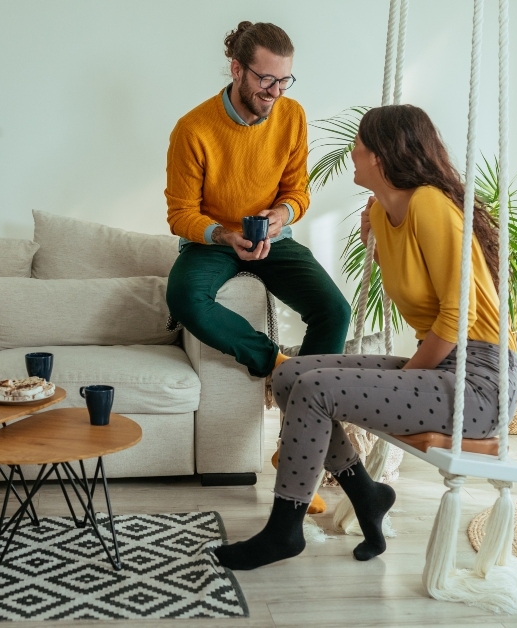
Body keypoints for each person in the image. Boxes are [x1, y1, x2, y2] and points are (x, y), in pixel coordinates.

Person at [213, 104, 517, 571]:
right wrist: (373, 240)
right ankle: (368, 495)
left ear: (381, 154)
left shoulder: (430, 204)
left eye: (360, 142)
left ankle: (284, 529)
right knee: (292, 375)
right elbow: (416, 283)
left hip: (477, 384)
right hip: (440, 366)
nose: (352, 151)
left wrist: (409, 376)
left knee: (317, 388)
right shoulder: (383, 211)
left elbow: (460, 317)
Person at [164, 21, 351, 511]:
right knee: (184, 297)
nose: (274, 91)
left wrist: (281, 215)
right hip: (214, 241)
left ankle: (297, 448)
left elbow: (298, 190)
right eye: (265, 80)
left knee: (335, 311)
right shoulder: (194, 128)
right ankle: (276, 365)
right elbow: (179, 213)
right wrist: (223, 234)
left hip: (274, 237)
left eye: (284, 80)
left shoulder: (291, 115)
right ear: (237, 69)